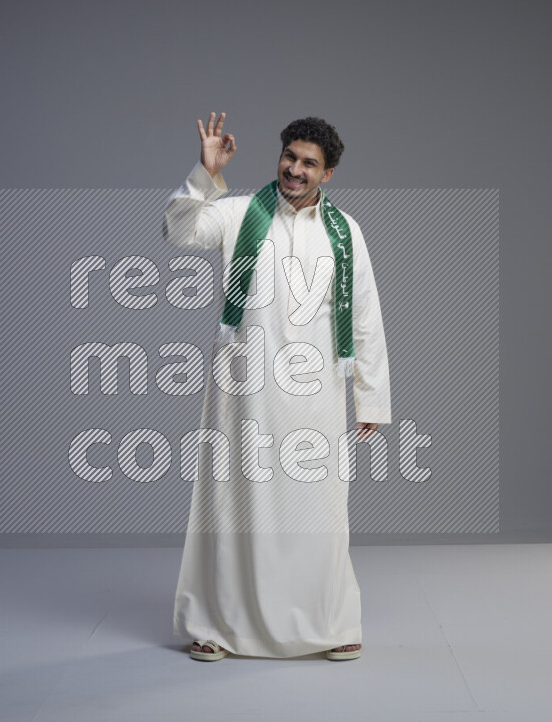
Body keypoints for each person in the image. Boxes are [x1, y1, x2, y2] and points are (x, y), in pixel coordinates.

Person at [162, 112, 391, 661]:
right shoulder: (240, 213)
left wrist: (370, 396)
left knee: (321, 509)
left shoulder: (346, 232)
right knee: (232, 504)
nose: (295, 169)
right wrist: (204, 173)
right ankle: (217, 624)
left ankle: (330, 622)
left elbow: (365, 316)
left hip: (316, 393)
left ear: (327, 174)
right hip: (242, 391)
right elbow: (178, 229)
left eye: (309, 163)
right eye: (290, 156)